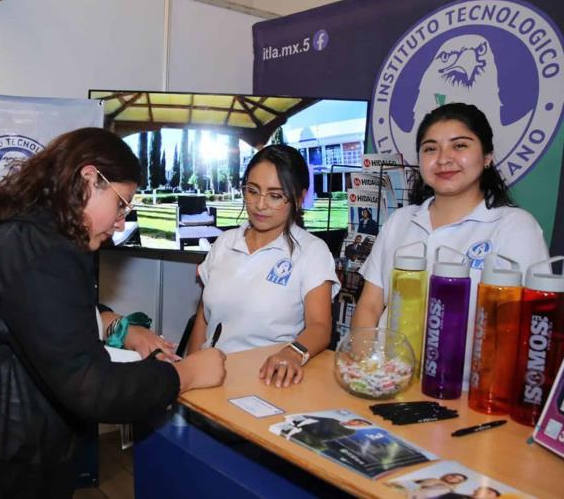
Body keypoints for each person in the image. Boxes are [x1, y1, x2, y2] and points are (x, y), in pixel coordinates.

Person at [0, 128, 227, 498]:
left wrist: (116, 324)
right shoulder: (43, 252)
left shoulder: (26, 233)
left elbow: (35, 315)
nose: (120, 223)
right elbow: (92, 389)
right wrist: (186, 374)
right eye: (121, 203)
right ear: (88, 179)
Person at [352, 102, 549, 388]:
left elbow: (522, 332)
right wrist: (365, 371)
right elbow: (370, 306)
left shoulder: (514, 227)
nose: (443, 159)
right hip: (388, 382)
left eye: (459, 146)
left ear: (487, 157)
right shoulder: (401, 221)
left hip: (470, 395)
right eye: (431, 149)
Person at [185, 144, 340, 389]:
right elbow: (204, 317)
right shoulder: (225, 243)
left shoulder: (311, 251)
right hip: (211, 379)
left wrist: (293, 353)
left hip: (266, 381)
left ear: (299, 199)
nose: (260, 204)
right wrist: (188, 372)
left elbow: (320, 326)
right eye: (253, 191)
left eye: (275, 195)